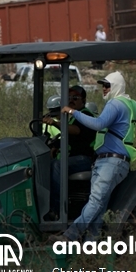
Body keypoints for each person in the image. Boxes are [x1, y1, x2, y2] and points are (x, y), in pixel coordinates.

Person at [59, 72, 136, 240]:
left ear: (116, 87)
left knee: (95, 202)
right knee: (99, 207)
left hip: (111, 162)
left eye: (107, 85)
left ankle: (70, 235)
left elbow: (98, 124)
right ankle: (92, 248)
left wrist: (72, 112)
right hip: (113, 162)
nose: (104, 89)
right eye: (103, 86)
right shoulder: (131, 104)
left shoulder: (115, 103)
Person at [42, 87, 96, 216]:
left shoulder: (86, 115)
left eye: (75, 98)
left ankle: (57, 209)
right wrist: (55, 146)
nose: (71, 100)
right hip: (75, 158)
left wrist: (56, 124)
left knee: (57, 165)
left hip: (85, 159)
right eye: (69, 98)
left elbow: (76, 131)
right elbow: (69, 138)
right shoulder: (72, 117)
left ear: (83, 100)